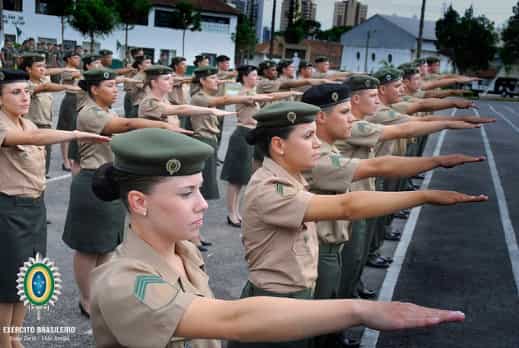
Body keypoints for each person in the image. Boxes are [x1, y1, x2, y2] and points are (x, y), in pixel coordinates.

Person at [90, 127, 469, 348]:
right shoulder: (123, 280)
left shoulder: (183, 251)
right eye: (186, 193)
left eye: (199, 190)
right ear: (139, 202)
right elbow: (232, 318)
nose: (204, 205)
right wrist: (360, 310)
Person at [234, 101, 486, 348]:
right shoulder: (271, 187)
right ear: (278, 145)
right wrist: (424, 196)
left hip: (293, 296)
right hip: (276, 303)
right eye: (308, 136)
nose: (316, 143)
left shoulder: (287, 177)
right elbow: (347, 206)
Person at [301, 83, 485, 347]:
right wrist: (430, 181)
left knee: (334, 301)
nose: (351, 117)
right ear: (320, 117)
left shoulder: (329, 145)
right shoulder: (315, 157)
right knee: (317, 318)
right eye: (344, 111)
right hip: (322, 245)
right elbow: (378, 166)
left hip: (337, 234)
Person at [62, 68, 189, 318]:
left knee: (108, 244)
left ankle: (99, 294)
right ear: (94, 89)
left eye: (116, 85)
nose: (115, 90)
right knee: (89, 247)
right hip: (92, 181)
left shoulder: (107, 110)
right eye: (109, 86)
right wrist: (163, 127)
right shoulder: (90, 112)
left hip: (109, 179)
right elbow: (128, 124)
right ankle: (86, 299)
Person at [0, 69, 109, 348]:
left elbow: (37, 133)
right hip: (8, 210)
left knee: (26, 278)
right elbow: (32, 140)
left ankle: (16, 338)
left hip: (34, 208)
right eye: (16, 92)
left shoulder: (27, 123)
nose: (25, 97)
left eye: (27, 91)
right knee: (6, 286)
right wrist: (73, 133)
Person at [220, 65, 301, 227]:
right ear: (244, 77)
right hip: (242, 134)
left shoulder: (251, 92)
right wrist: (290, 93)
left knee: (243, 178)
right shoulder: (243, 93)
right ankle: (231, 213)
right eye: (253, 75)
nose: (256, 78)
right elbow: (269, 97)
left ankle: (236, 212)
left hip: (251, 135)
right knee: (236, 178)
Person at [20, 53, 82, 176]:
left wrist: (63, 68)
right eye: (38, 66)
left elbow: (49, 72)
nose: (43, 69)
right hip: (31, 127)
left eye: (44, 66)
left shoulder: (43, 77)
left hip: (46, 125)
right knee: (30, 165)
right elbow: (45, 87)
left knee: (44, 163)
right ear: (28, 69)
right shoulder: (25, 84)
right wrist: (65, 86)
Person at [139, 64, 236, 128]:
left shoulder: (164, 99)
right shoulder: (149, 102)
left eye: (171, 78)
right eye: (166, 79)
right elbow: (181, 109)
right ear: (154, 83)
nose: (171, 81)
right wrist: (210, 110)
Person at [57, 51, 82, 172]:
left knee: (74, 130)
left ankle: (71, 158)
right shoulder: (67, 70)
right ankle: (65, 161)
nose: (78, 59)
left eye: (78, 57)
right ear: (68, 59)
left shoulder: (76, 70)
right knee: (66, 131)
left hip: (78, 100)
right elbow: (76, 75)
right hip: (70, 99)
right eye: (75, 57)